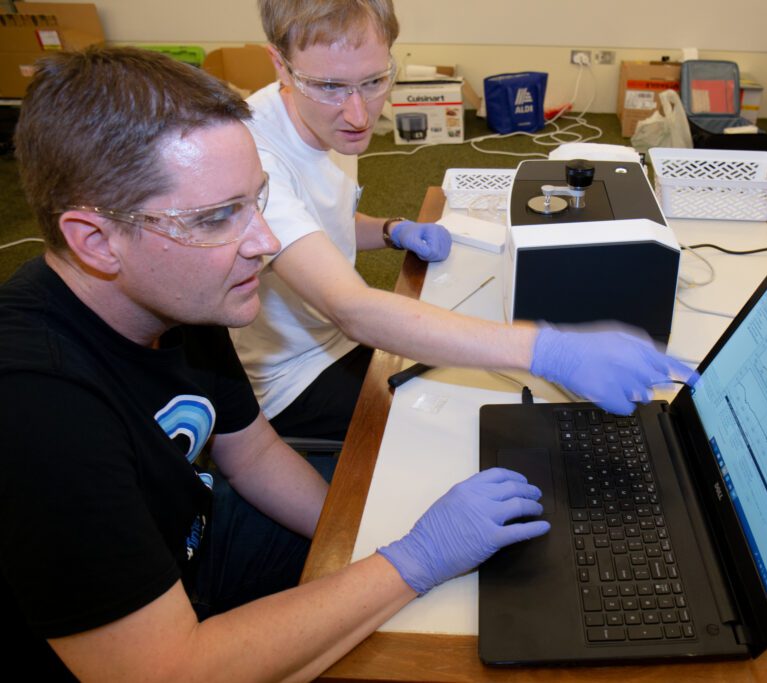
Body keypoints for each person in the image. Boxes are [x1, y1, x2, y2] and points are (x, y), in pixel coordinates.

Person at [0, 46, 549, 681]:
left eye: (255, 199)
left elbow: (252, 454)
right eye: (215, 218)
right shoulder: (37, 408)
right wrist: (410, 561)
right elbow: (170, 671)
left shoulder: (176, 296)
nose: (263, 243)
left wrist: (363, 544)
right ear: (95, 240)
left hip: (195, 544)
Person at [233, 0, 695, 441]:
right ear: (280, 64)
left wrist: (392, 231)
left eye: (374, 81)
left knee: (489, 381)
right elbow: (351, 309)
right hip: (296, 379)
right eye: (331, 87)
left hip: (339, 339)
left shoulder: (322, 115)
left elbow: (315, 224)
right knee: (463, 425)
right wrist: (547, 350)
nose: (359, 114)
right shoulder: (253, 162)